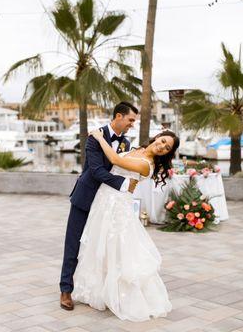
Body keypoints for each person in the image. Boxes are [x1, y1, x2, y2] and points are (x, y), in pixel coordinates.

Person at [72, 128, 180, 322]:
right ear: (157, 137)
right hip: (103, 199)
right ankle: (97, 291)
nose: (162, 146)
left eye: (167, 147)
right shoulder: (136, 148)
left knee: (118, 249)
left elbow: (115, 160)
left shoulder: (147, 165)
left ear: (168, 153)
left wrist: (98, 137)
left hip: (117, 205)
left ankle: (122, 295)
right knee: (99, 245)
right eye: (163, 140)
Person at [60, 102, 139, 311]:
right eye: (130, 120)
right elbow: (95, 170)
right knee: (73, 244)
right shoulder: (95, 136)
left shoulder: (126, 143)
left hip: (107, 203)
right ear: (119, 116)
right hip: (85, 197)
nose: (132, 124)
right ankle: (65, 289)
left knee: (100, 246)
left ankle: (99, 290)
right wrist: (124, 185)